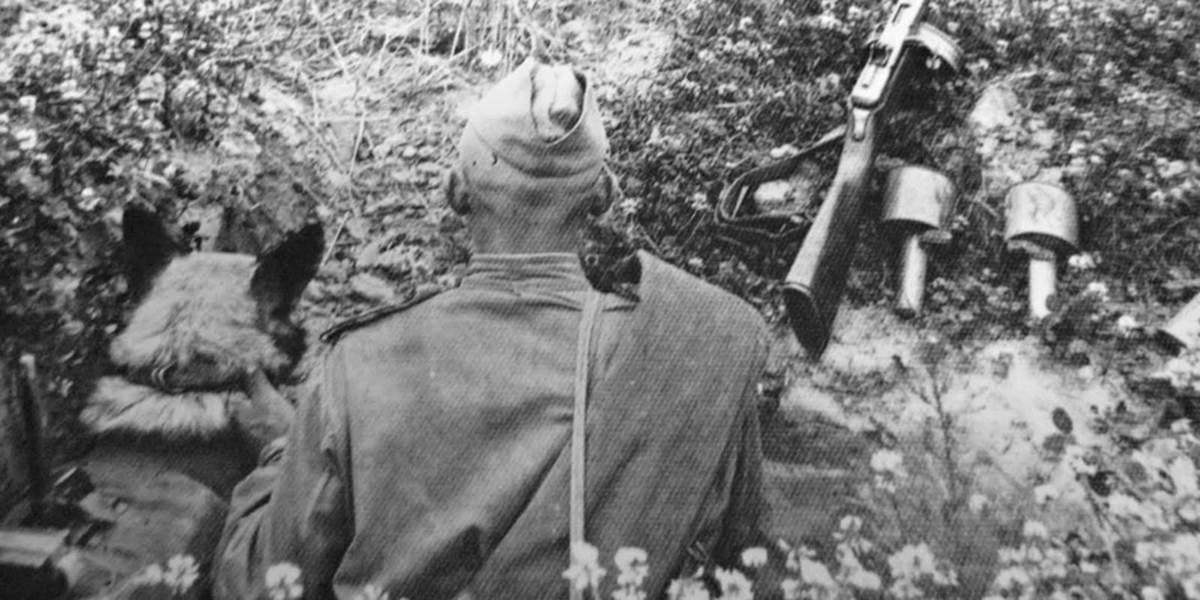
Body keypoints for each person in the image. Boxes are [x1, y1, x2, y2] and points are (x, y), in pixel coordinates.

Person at [214, 58, 769, 600]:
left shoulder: (356, 365)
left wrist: (278, 455)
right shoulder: (695, 350)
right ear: (603, 196)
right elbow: (746, 568)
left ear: (456, 190)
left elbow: (258, 587)